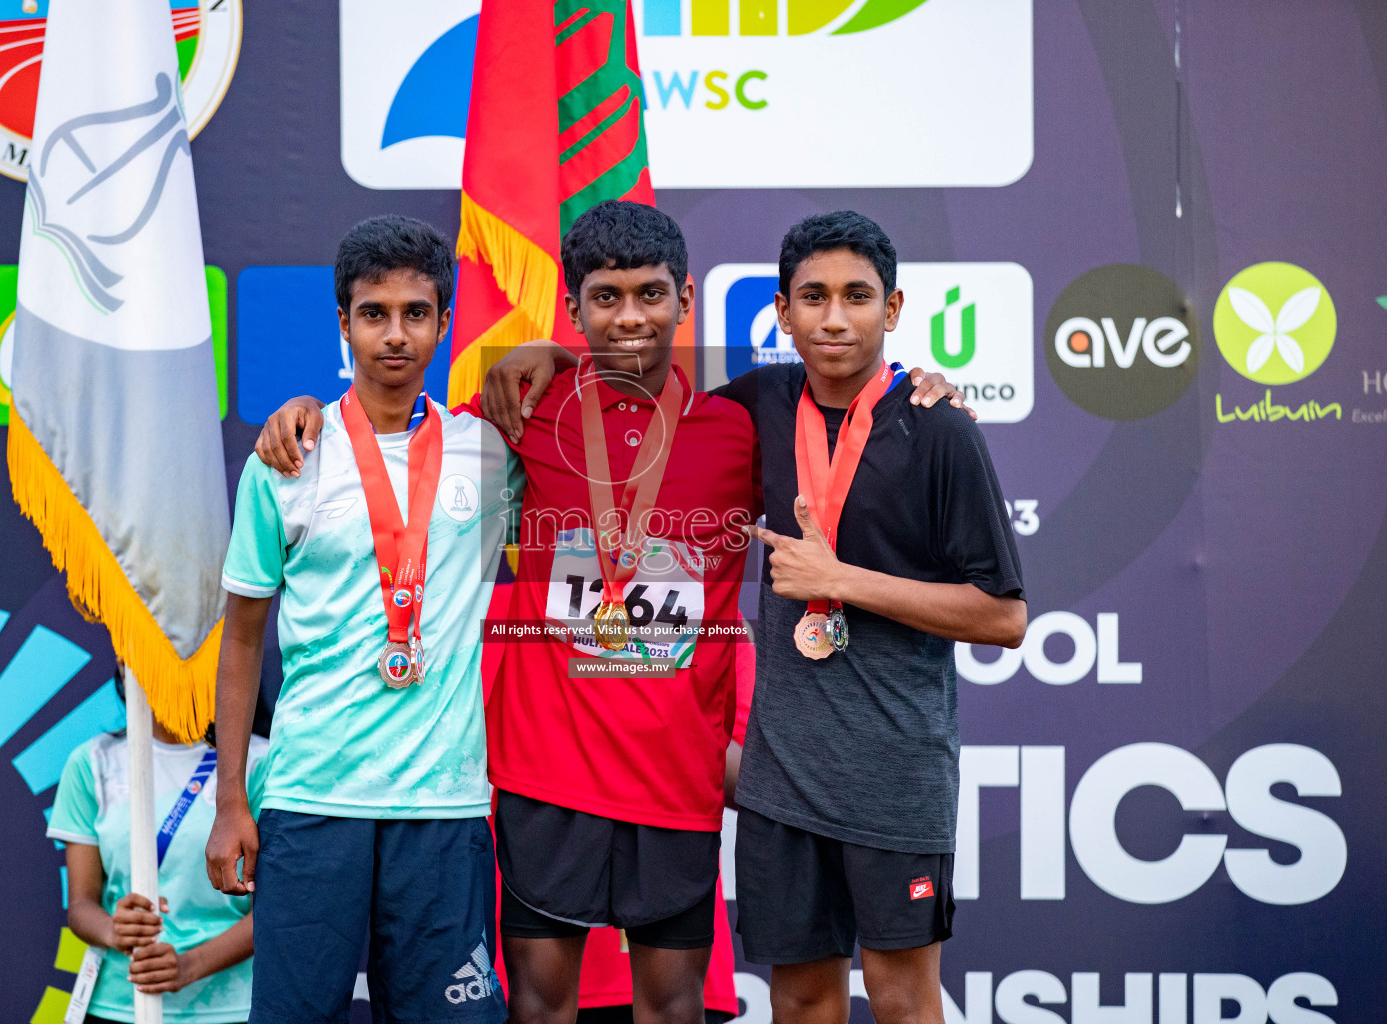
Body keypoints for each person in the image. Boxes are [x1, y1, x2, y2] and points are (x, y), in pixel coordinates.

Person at [252, 201, 968, 1024]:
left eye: (651, 295)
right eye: (607, 297)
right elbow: (397, 435)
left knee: (670, 1009)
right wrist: (301, 407)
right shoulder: (523, 411)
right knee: (540, 1007)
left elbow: (842, 413)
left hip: (675, 779)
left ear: (687, 300)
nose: (630, 317)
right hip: (544, 775)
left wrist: (922, 385)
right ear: (573, 305)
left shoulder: (742, 427)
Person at [206, 216, 520, 1024]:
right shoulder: (286, 459)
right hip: (313, 801)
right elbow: (241, 637)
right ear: (343, 324)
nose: (395, 334)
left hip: (444, 810)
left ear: (445, 323)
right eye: (373, 313)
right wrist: (231, 800)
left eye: (416, 312)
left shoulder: (488, 455)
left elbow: (596, 408)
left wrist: (542, 354)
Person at [729, 211, 1026, 1024]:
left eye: (857, 297)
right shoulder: (754, 403)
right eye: (813, 297)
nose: (834, 317)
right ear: (782, 312)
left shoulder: (940, 429)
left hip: (895, 777)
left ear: (892, 310)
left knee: (901, 999)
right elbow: (641, 406)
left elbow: (1004, 617)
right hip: (783, 776)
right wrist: (544, 357)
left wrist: (840, 580)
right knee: (798, 999)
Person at [48, 665, 268, 1024]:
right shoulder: (92, 763)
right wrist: (112, 929)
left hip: (230, 1008)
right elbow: (82, 904)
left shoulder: (262, 763)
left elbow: (277, 913)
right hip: (117, 1005)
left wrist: (188, 967)